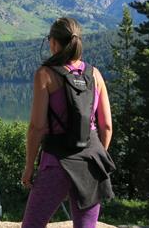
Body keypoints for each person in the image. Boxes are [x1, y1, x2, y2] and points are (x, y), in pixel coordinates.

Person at [21, 17, 115, 228]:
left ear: (54, 42)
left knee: (32, 224)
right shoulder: (95, 74)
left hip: (57, 160)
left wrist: (28, 167)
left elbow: (37, 127)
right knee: (85, 225)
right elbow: (106, 126)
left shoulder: (45, 74)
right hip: (91, 160)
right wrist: (99, 158)